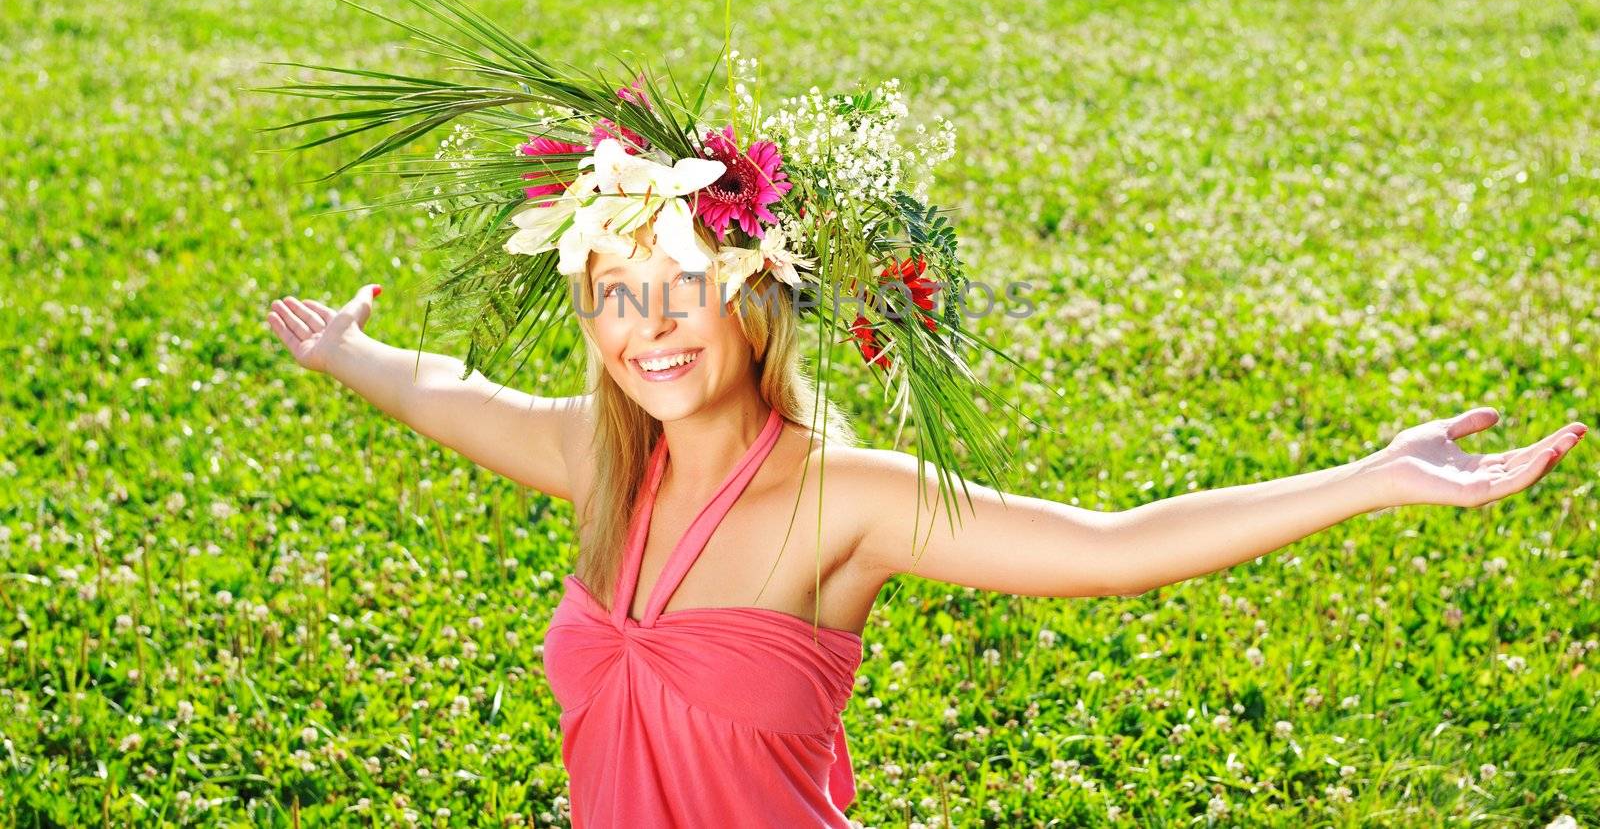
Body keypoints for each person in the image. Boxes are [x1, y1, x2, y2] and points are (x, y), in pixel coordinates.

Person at [266, 222, 1587, 828]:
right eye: (615, 297)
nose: (647, 330)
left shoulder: (850, 496)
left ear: (755, 305)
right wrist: (348, 355)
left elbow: (1111, 548)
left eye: (682, 293)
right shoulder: (602, 460)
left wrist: (1367, 477)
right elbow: (447, 392)